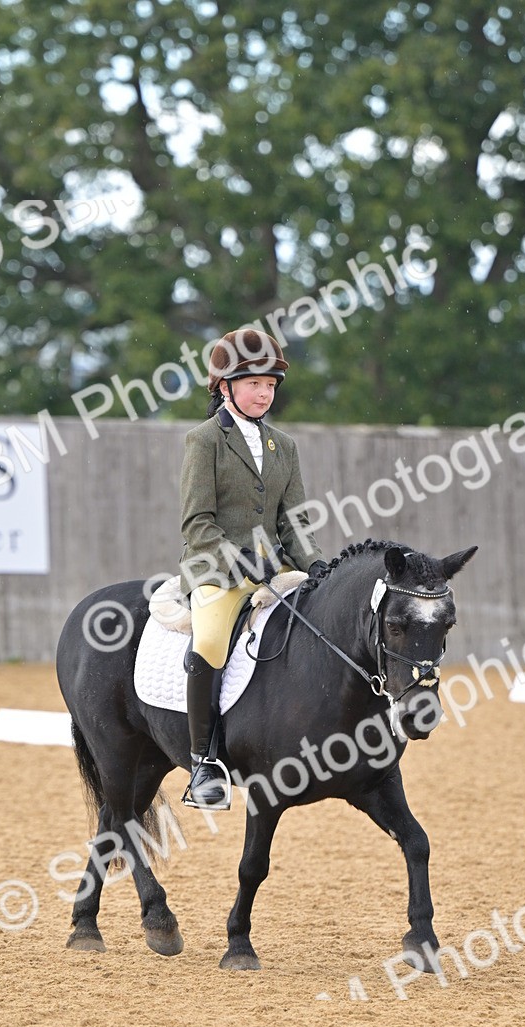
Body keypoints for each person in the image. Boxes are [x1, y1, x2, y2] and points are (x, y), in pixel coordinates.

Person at [179, 327, 327, 810]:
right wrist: (237, 559)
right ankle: (203, 763)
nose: (264, 393)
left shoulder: (283, 445)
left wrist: (316, 565)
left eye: (270, 385)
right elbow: (196, 523)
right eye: (253, 384)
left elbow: (294, 522)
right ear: (225, 387)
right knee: (209, 642)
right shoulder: (204, 441)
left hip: (274, 570)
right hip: (216, 571)